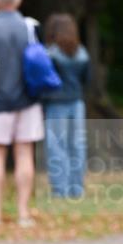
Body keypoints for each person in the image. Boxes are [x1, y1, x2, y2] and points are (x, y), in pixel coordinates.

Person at [0, 0, 44, 228]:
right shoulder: (30, 27)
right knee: (25, 154)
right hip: (27, 99)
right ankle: (23, 213)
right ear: (18, 1)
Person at [41, 13, 89, 198]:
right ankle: (77, 189)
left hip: (55, 104)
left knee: (56, 146)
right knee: (77, 145)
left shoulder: (49, 53)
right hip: (77, 103)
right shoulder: (82, 52)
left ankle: (59, 190)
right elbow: (88, 79)